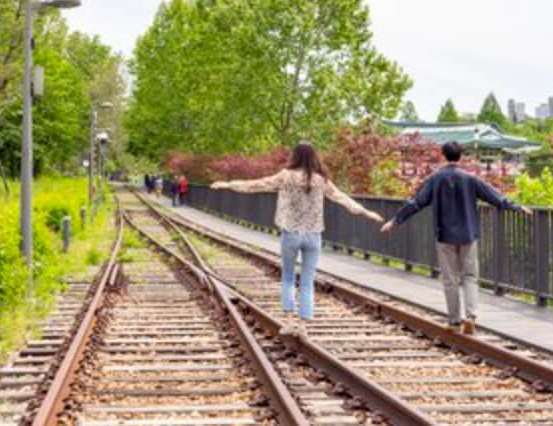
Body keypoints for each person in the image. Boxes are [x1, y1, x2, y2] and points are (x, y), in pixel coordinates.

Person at [211, 142, 384, 326]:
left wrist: (228, 184)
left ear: (295, 156)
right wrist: (367, 213)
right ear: (314, 157)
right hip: (313, 236)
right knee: (308, 281)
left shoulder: (286, 176)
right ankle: (303, 326)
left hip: (291, 233)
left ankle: (288, 320)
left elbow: (257, 185)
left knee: (288, 278)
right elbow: (341, 198)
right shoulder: (320, 179)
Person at [381, 141, 531, 335]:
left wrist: (395, 221)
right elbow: (495, 197)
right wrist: (517, 208)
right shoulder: (470, 179)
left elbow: (417, 203)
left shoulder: (435, 179)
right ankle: (471, 316)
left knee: (450, 279)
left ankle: (453, 321)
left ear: (443, 156)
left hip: (444, 235)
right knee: (470, 277)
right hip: (468, 234)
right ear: (460, 157)